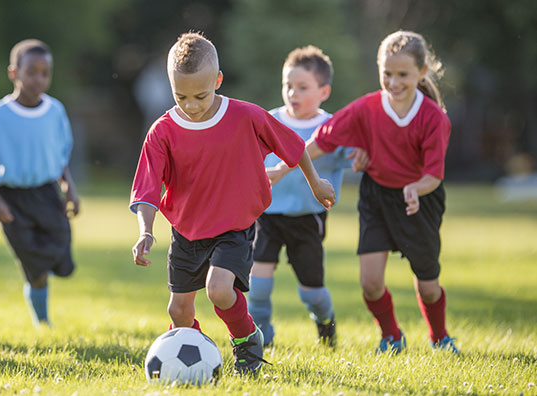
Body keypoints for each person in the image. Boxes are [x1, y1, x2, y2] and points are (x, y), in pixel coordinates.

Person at [130, 32, 335, 374]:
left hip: (234, 228)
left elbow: (294, 147)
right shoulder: (162, 132)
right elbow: (147, 189)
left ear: (218, 80)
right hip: (186, 232)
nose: (191, 105)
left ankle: (246, 340)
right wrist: (146, 232)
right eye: (181, 96)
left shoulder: (245, 116)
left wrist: (316, 184)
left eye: (201, 95)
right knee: (178, 312)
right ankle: (192, 351)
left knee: (219, 290)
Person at [267, 31, 456, 354]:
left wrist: (415, 188)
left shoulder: (433, 118)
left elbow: (434, 176)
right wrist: (283, 169)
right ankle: (391, 336)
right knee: (370, 283)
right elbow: (319, 142)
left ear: (421, 73)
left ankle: (440, 337)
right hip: (376, 198)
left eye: (403, 75)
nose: (394, 82)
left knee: (427, 286)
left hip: (419, 202)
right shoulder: (366, 108)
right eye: (387, 74)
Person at [248, 46, 368, 348]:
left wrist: (361, 154)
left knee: (311, 292)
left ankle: (325, 320)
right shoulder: (268, 121)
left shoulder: (331, 128)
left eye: (303, 87)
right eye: (288, 85)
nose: (293, 93)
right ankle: (262, 337)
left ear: (323, 91)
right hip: (267, 216)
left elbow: (354, 153)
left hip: (308, 218)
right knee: (258, 285)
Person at [0, 39, 80, 326]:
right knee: (33, 266)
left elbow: (61, 156)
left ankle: (40, 275)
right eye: (32, 72)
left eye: (45, 72)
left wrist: (70, 188)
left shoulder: (55, 112)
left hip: (48, 194)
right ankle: (42, 322)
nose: (39, 79)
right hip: (12, 199)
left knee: (62, 255)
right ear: (14, 73)